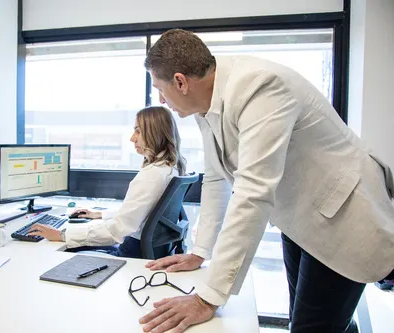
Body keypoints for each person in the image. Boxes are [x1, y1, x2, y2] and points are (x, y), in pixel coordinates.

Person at [138, 29, 394, 333]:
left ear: (181, 82)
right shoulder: (204, 102)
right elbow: (217, 178)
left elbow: (252, 193)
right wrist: (201, 251)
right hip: (301, 218)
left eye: (160, 89)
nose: (161, 100)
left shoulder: (259, 87)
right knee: (320, 322)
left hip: (345, 216)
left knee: (311, 327)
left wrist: (208, 299)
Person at [28, 106, 187, 259]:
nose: (132, 138)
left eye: (138, 131)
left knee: (60, 251)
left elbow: (117, 230)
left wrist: (61, 234)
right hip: (147, 249)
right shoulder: (171, 168)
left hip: (131, 253)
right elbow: (139, 214)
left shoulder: (151, 175)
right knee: (81, 240)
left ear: (155, 133)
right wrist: (100, 215)